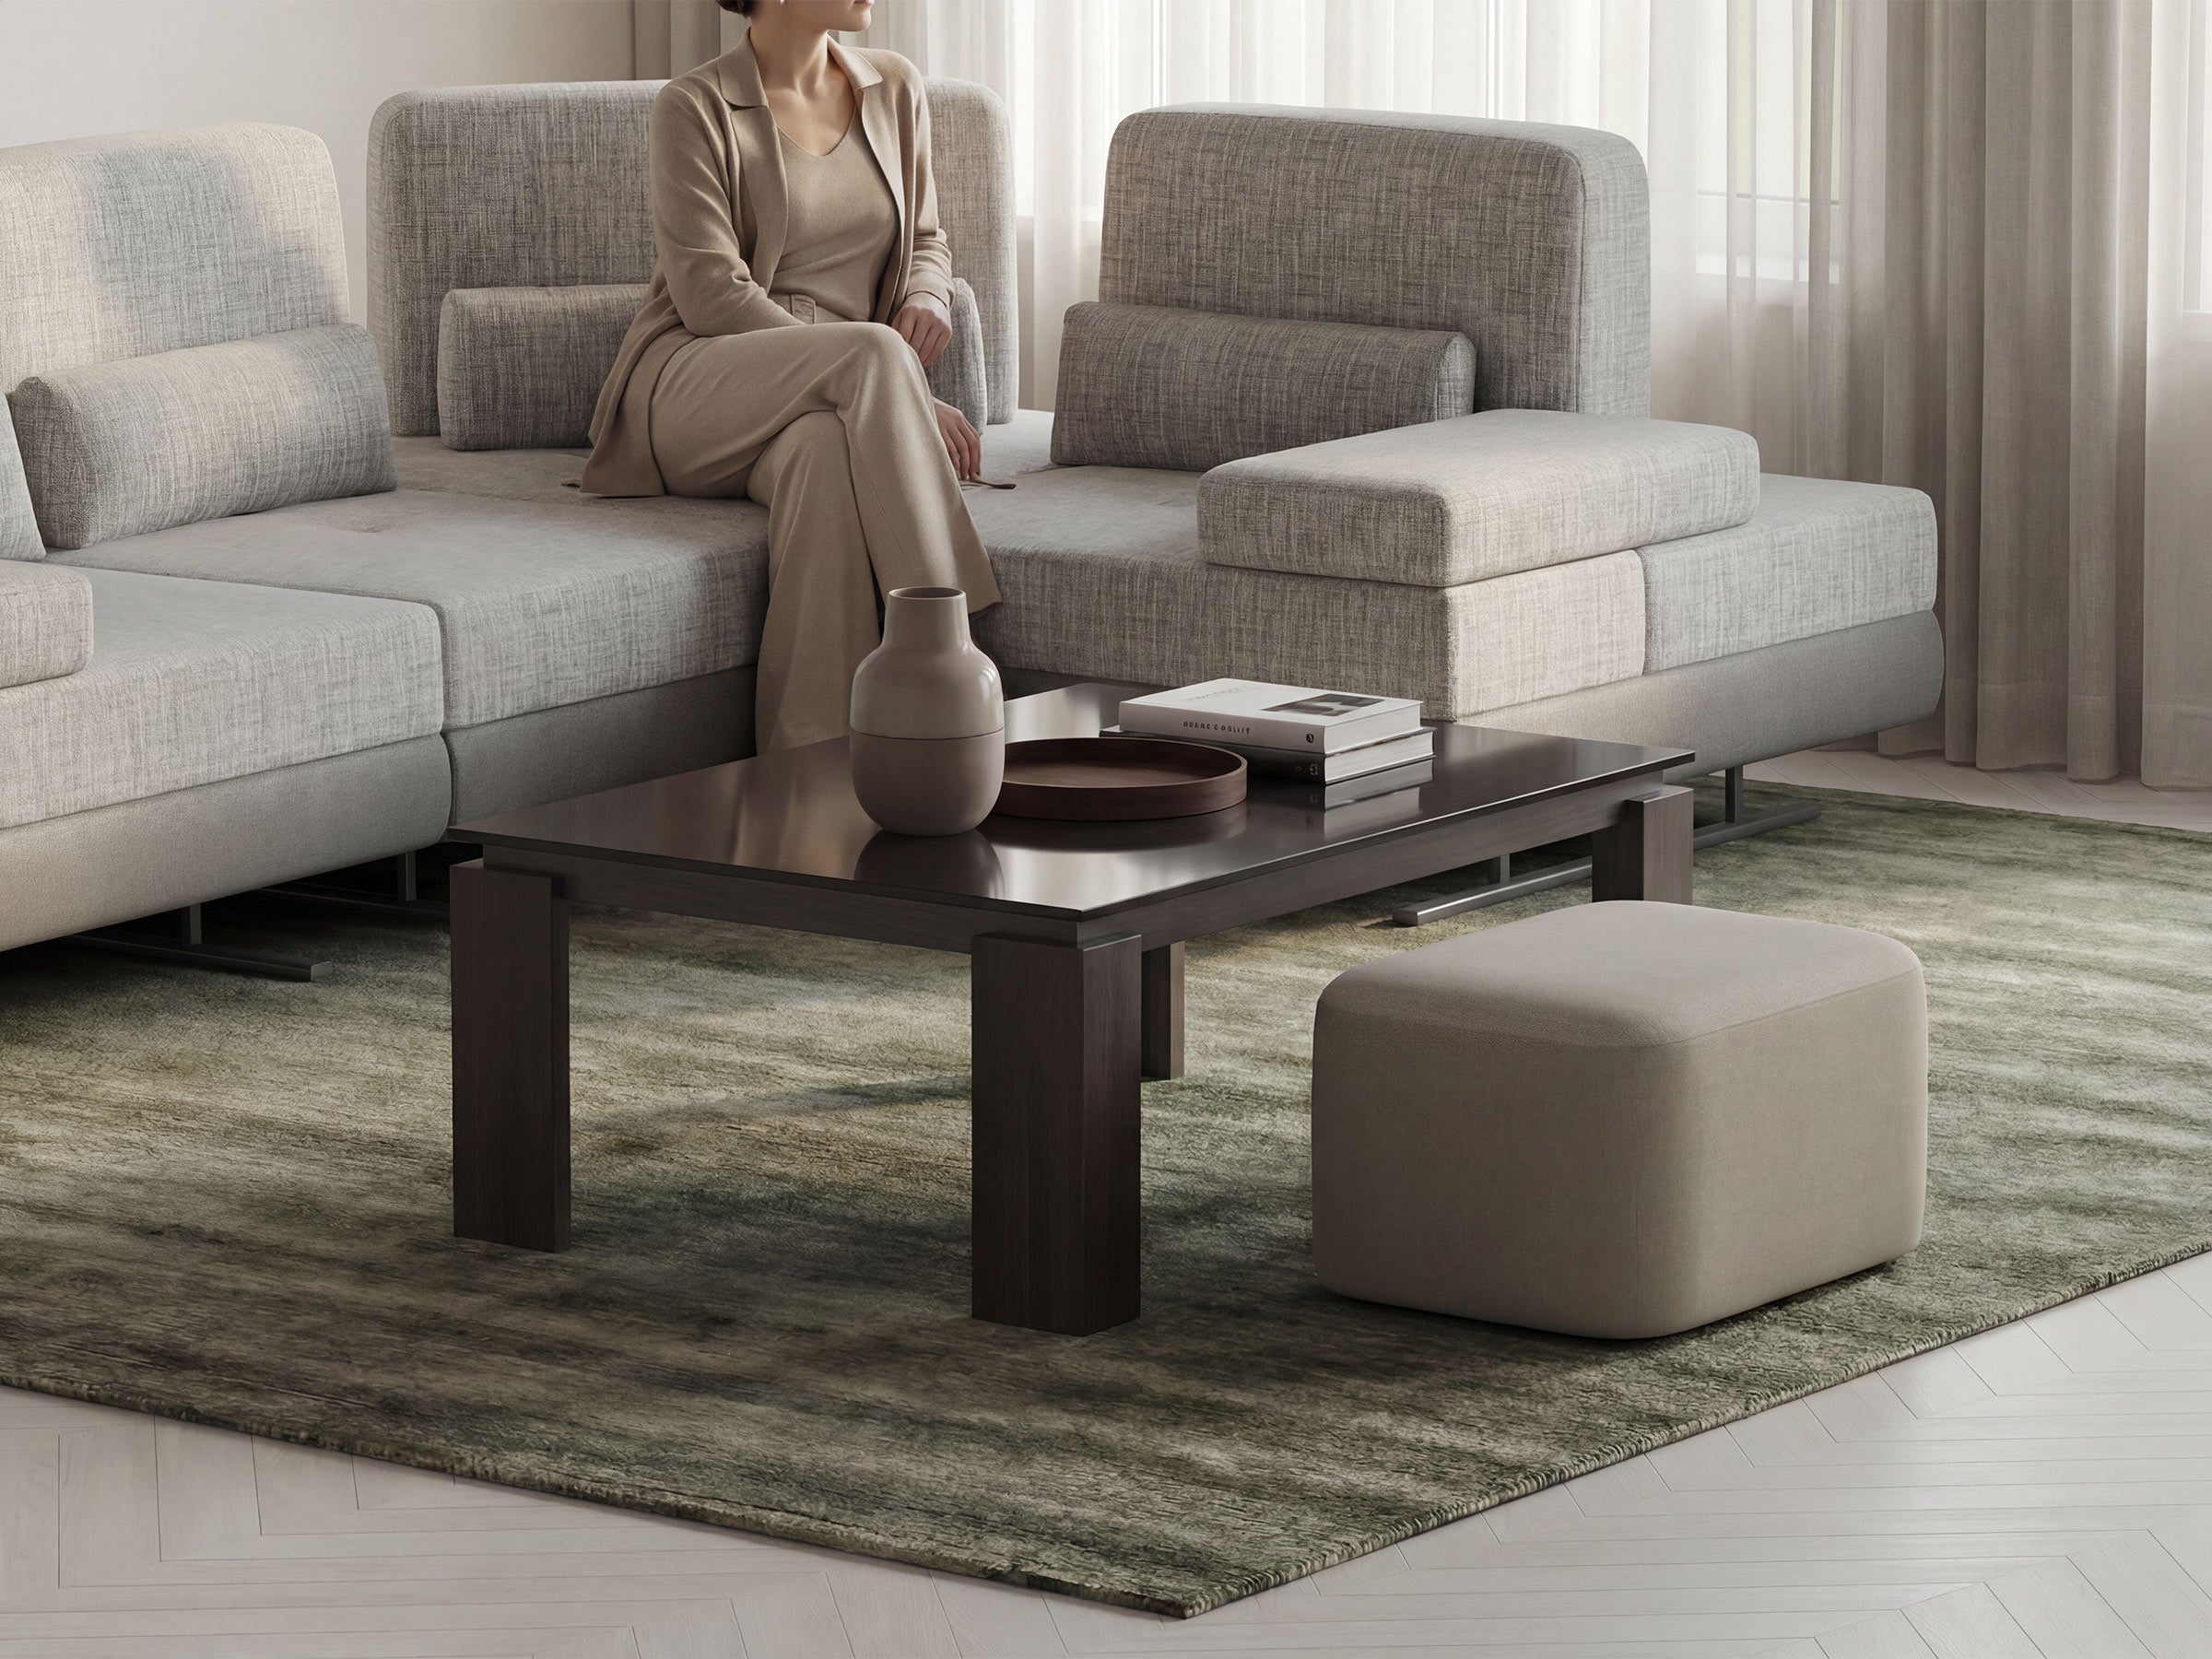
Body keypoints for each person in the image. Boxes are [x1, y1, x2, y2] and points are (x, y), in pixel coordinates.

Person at [580, 0, 999, 751]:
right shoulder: (695, 107)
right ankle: (950, 662)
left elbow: (927, 237)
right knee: (872, 356)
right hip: (698, 383)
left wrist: (927, 296)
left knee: (824, 458)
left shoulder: (894, 88)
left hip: (830, 401)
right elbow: (711, 293)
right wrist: (892, 386)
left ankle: (811, 765)